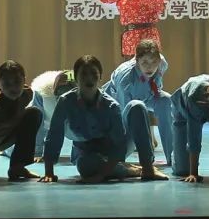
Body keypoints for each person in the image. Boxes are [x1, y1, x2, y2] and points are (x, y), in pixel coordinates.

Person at [39, 55, 167, 183]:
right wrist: (49, 172)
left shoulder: (111, 105)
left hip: (111, 148)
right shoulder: (65, 101)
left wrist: (100, 175)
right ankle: (128, 170)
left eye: (93, 74)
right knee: (85, 165)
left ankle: (147, 168)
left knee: (137, 106)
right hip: (87, 152)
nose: (89, 79)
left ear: (100, 77)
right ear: (76, 78)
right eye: (84, 74)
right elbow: (54, 135)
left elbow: (119, 146)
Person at [101, 39, 174, 166]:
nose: (150, 67)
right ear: (137, 61)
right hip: (116, 104)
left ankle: (172, 157)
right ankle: (146, 161)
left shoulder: (162, 63)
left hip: (147, 95)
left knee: (166, 101)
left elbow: (156, 82)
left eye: (153, 62)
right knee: (134, 114)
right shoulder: (126, 79)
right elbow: (124, 118)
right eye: (144, 62)